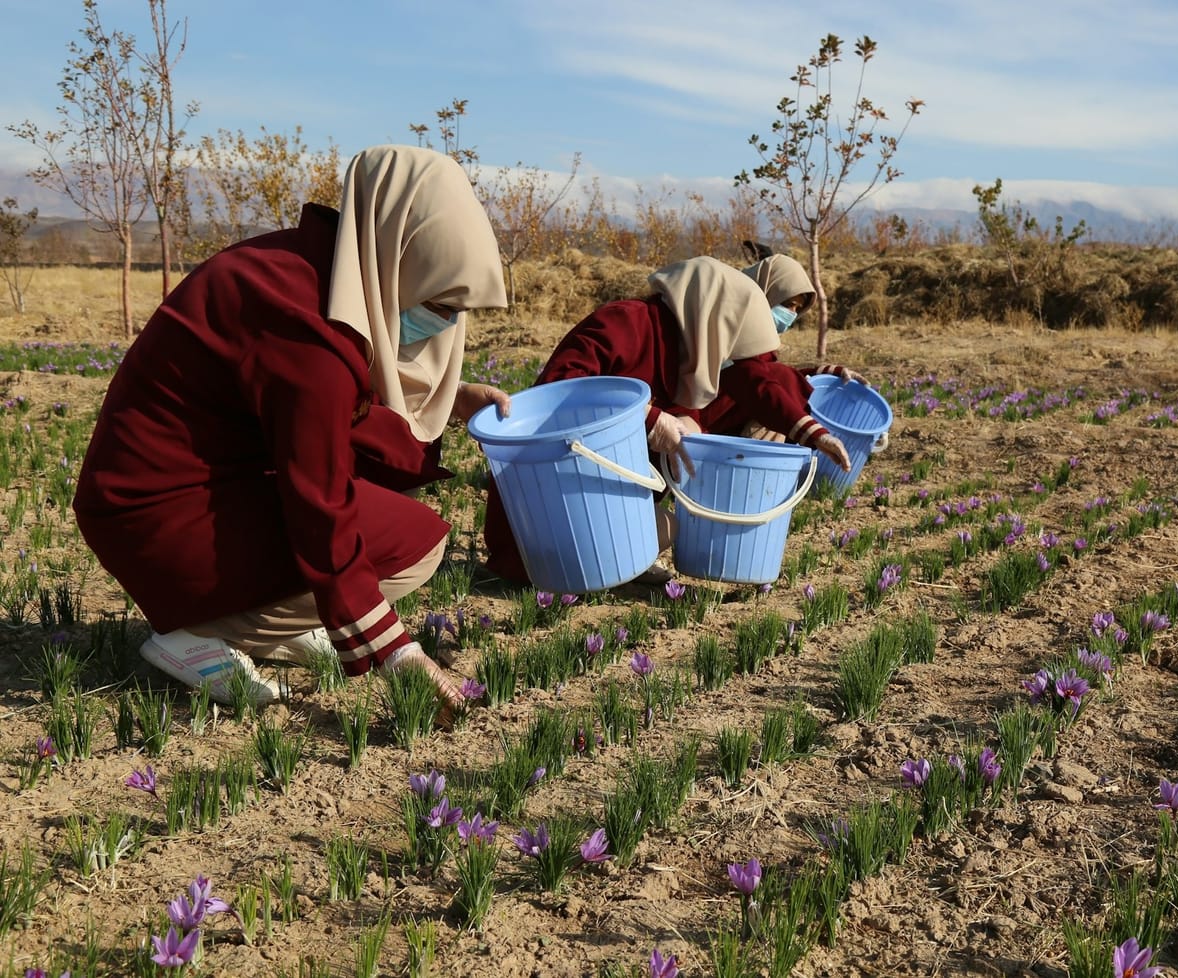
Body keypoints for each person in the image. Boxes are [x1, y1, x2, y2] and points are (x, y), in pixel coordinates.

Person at [72, 145, 510, 711]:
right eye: (437, 302)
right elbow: (317, 499)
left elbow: (327, 408)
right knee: (415, 546)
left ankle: (271, 619)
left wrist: (452, 399)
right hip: (155, 513)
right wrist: (394, 649)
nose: (443, 323)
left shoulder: (316, 271)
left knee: (390, 519)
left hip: (185, 491)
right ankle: (204, 634)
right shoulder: (305, 324)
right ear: (399, 257)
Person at [482, 255, 851, 586]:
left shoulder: (690, 349)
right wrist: (646, 416)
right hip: (549, 495)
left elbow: (757, 383)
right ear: (709, 313)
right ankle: (572, 568)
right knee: (613, 548)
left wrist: (816, 435)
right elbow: (561, 388)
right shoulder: (626, 323)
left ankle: (607, 566)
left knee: (666, 528)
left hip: (598, 492)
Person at [700, 252, 870, 440]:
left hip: (735, 407)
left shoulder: (759, 338)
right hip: (700, 416)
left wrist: (824, 373)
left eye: (797, 309)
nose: (791, 315)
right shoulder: (727, 324)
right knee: (781, 383)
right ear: (764, 292)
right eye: (788, 304)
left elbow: (761, 374)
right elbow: (754, 379)